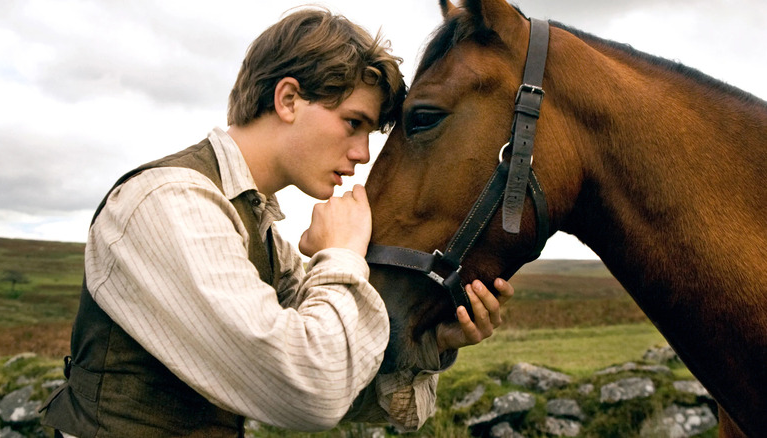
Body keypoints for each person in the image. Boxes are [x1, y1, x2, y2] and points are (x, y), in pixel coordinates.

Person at [40, 7, 514, 437]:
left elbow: (339, 379)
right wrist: (343, 256)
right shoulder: (169, 202)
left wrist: (428, 343)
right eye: (354, 123)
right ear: (288, 99)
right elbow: (311, 391)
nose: (362, 154)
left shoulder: (257, 224)